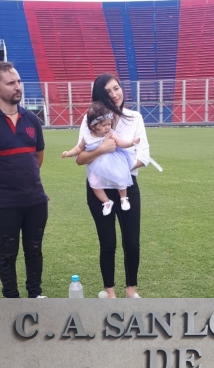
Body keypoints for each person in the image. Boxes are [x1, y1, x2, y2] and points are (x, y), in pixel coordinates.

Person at [0, 61, 49, 298]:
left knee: (34, 251)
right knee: (7, 252)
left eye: (19, 81)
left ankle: (35, 295)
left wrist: (27, 183)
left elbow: (37, 159)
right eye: (11, 83)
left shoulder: (32, 120)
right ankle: (11, 300)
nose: (18, 87)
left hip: (36, 201)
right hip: (5, 204)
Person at [75, 74, 151, 299]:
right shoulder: (90, 119)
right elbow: (79, 159)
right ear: (99, 96)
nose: (115, 94)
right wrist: (101, 150)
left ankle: (131, 291)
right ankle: (110, 292)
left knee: (132, 241)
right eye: (108, 92)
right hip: (99, 190)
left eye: (116, 88)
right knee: (107, 242)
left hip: (126, 187)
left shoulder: (134, 118)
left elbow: (144, 156)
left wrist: (118, 169)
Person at [62, 102, 140, 215]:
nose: (107, 127)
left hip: (113, 162)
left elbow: (121, 143)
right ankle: (107, 202)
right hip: (96, 166)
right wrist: (69, 153)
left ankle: (123, 198)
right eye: (104, 125)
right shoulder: (87, 137)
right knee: (94, 183)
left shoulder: (111, 134)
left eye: (109, 124)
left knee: (120, 177)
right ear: (93, 126)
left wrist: (131, 142)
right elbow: (79, 148)